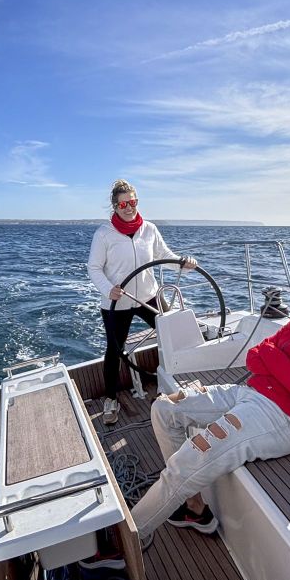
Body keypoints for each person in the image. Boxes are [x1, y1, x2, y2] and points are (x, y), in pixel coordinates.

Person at [130, 258, 290, 540]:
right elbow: (253, 356)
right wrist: (289, 360)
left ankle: (124, 540)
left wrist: (277, 358)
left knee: (186, 462)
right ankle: (193, 505)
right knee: (164, 407)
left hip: (282, 418)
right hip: (250, 392)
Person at [87, 179, 197, 425]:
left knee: (173, 335)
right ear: (115, 206)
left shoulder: (149, 229)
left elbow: (164, 257)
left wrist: (183, 262)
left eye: (133, 202)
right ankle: (111, 399)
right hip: (118, 301)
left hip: (148, 296)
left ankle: (181, 384)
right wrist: (108, 290)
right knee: (115, 351)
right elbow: (94, 268)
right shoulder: (104, 234)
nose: (129, 207)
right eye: (123, 203)